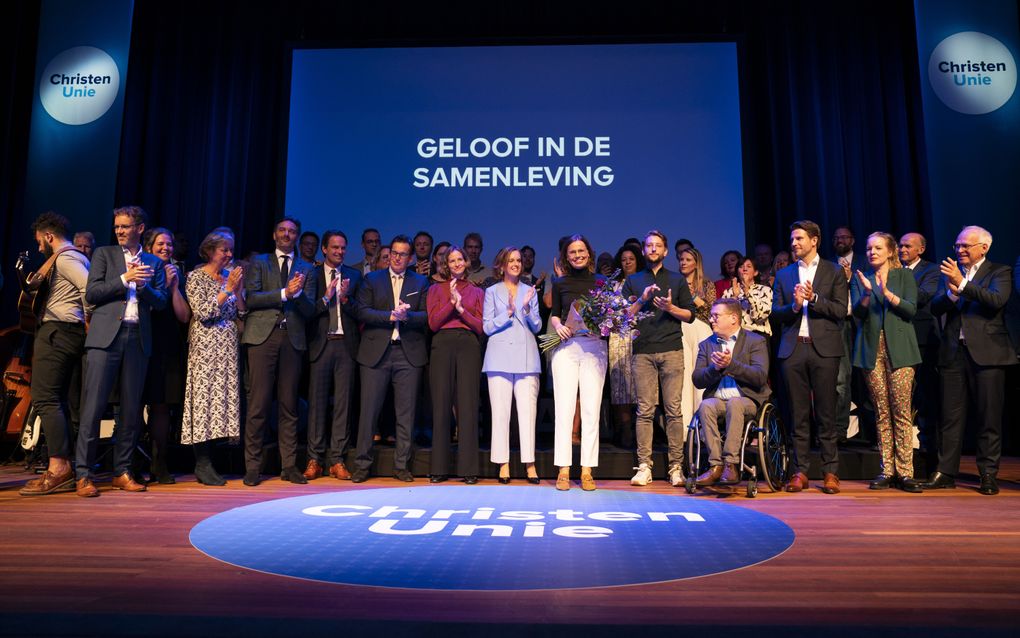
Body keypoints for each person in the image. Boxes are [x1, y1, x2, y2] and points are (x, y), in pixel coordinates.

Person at [74, 206, 168, 497]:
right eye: (117, 227)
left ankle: (122, 471)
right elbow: (92, 294)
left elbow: (161, 301)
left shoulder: (154, 261)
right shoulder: (104, 254)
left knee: (130, 410)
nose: (119, 231)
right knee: (93, 407)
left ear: (140, 228)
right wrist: (126, 278)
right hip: (105, 338)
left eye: (125, 226)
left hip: (137, 338)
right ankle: (84, 474)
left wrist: (142, 288)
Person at [924, 225, 1016, 496]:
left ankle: (988, 473)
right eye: (957, 246)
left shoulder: (1000, 271)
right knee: (950, 417)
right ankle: (945, 472)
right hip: (953, 352)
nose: (959, 250)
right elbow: (935, 307)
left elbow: (996, 300)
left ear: (983, 248)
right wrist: (952, 291)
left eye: (965, 246)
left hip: (988, 354)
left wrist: (962, 284)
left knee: (988, 416)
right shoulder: (952, 274)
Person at [772, 220, 848, 494]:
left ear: (814, 240)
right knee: (798, 414)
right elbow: (775, 314)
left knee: (826, 413)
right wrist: (793, 306)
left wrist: (814, 298)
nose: (794, 243)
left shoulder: (834, 272)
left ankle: (830, 472)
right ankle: (800, 471)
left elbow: (841, 311)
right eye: (792, 239)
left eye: (800, 238)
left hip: (824, 350)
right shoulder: (784, 275)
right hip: (794, 349)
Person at [19, 212, 90, 496]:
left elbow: (89, 289)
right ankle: (59, 466)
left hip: (60, 331)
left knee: (45, 398)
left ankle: (60, 468)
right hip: (60, 332)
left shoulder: (67, 257)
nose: (39, 248)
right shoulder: (62, 259)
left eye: (40, 242)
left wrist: (89, 321)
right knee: (55, 400)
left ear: (49, 237)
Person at [241, 216, 315, 486]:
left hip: (292, 339)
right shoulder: (259, 262)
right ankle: (252, 467)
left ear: (297, 236)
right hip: (263, 338)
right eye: (282, 230)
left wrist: (298, 295)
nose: (287, 235)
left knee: (289, 406)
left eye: (292, 231)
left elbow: (309, 311)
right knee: (258, 405)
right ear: (274, 235)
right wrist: (284, 293)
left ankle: (289, 465)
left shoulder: (308, 268)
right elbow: (251, 298)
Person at [352, 235, 429, 483]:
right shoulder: (372, 279)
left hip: (408, 354)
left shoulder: (420, 281)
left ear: (410, 258)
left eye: (403, 254)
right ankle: (362, 465)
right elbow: (361, 311)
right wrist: (390, 316)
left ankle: (402, 466)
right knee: (369, 413)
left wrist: (407, 318)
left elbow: (428, 316)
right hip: (376, 353)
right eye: (394, 253)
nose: (397, 257)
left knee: (405, 414)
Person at [623, 231, 696, 487]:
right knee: (644, 410)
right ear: (643, 251)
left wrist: (670, 308)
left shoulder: (676, 280)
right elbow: (623, 318)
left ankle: (676, 467)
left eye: (658, 246)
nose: (653, 249)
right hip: (642, 351)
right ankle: (644, 466)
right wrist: (641, 300)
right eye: (649, 246)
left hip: (672, 350)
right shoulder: (633, 280)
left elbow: (690, 315)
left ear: (665, 252)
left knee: (674, 411)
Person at [851, 232, 922, 492]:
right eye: (869, 248)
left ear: (890, 251)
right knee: (881, 412)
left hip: (900, 349)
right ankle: (886, 470)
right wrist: (868, 295)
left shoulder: (904, 276)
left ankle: (905, 472)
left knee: (901, 411)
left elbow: (911, 309)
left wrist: (887, 294)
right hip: (871, 349)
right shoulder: (862, 279)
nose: (872, 252)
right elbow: (858, 313)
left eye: (878, 248)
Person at [181, 230, 246, 485]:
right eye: (224, 250)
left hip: (227, 345)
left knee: (221, 402)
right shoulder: (196, 277)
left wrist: (237, 290)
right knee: (204, 400)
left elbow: (241, 311)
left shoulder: (230, 276)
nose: (229, 254)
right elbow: (203, 312)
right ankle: (202, 462)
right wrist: (226, 290)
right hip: (205, 345)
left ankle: (215, 460)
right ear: (210, 251)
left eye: (231, 250)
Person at [302, 230, 362, 481]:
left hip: (346, 346)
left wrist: (346, 299)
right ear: (324, 249)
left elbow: (361, 312)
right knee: (316, 405)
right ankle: (314, 458)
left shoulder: (355, 276)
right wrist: (326, 298)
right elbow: (305, 311)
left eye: (343, 248)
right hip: (321, 344)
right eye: (334, 248)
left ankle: (337, 460)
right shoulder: (312, 274)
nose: (339, 252)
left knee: (343, 405)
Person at [549, 234, 607, 491]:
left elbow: (610, 316)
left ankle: (586, 470)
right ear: (566, 256)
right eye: (572, 252)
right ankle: (563, 469)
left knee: (591, 410)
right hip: (567, 347)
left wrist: (605, 325)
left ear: (589, 253)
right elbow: (554, 315)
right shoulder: (560, 283)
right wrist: (559, 326)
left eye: (581, 250)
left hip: (594, 347)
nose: (577, 255)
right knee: (564, 409)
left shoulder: (602, 282)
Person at [691, 298, 770, 486]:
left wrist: (730, 365)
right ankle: (715, 465)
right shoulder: (707, 344)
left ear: (733, 318)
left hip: (747, 400)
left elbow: (760, 376)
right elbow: (697, 379)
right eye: (711, 316)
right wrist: (716, 368)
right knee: (706, 405)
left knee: (735, 402)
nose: (711, 320)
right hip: (717, 401)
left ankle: (731, 464)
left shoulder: (755, 341)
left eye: (716, 316)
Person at [483, 247, 542, 484]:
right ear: (502, 265)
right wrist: (507, 313)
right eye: (511, 260)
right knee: (500, 413)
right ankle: (503, 463)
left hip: (527, 357)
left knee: (528, 413)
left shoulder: (530, 291)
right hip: (499, 357)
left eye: (518, 260)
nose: (516, 263)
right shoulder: (491, 291)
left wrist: (526, 308)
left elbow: (537, 326)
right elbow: (486, 327)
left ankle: (530, 464)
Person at [427, 245, 484, 483]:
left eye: (460, 259)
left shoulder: (477, 291)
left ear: (466, 263)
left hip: (469, 344)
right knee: (441, 403)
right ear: (446, 265)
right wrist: (451, 303)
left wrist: (461, 308)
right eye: (452, 260)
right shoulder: (434, 290)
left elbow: (481, 327)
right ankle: (439, 468)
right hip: (442, 343)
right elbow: (433, 323)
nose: (457, 263)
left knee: (468, 404)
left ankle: (468, 469)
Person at [142, 227, 192, 484]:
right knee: (134, 403)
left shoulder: (178, 274)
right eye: (160, 244)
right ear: (149, 246)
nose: (166, 248)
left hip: (168, 343)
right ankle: (127, 464)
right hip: (141, 341)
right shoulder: (140, 269)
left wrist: (173, 288)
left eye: (170, 244)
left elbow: (184, 317)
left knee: (162, 406)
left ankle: (159, 464)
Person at [898, 232, 941, 448]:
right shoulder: (894, 270)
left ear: (920, 249)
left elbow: (923, 295)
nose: (902, 250)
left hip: (922, 338)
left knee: (925, 391)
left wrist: (896, 288)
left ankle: (928, 443)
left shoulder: (931, 270)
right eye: (900, 246)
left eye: (907, 246)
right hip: (898, 337)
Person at [832, 226, 867, 443]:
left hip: (864, 323)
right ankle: (840, 431)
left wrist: (850, 277)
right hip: (840, 324)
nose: (839, 241)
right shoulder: (828, 264)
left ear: (852, 240)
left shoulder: (864, 261)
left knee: (867, 378)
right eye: (836, 238)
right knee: (841, 378)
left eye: (844, 237)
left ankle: (870, 432)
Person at [608, 245, 644, 447]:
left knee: (638, 385)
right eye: (624, 259)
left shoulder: (644, 281)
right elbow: (608, 312)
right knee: (620, 384)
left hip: (639, 337)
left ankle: (639, 431)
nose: (627, 262)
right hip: (618, 338)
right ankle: (623, 430)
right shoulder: (614, 284)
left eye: (631, 258)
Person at [722, 255, 773, 337]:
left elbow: (760, 317)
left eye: (749, 266)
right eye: (741, 266)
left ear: (755, 272)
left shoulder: (765, 290)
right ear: (737, 271)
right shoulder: (729, 292)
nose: (744, 269)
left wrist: (748, 292)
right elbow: (723, 317)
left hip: (757, 335)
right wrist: (734, 297)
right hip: (735, 336)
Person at [679, 247, 716, 324]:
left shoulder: (706, 284)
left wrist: (693, 296)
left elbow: (712, 312)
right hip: (680, 327)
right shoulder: (676, 283)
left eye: (688, 260)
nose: (683, 263)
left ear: (696, 264)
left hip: (701, 328)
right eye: (681, 259)